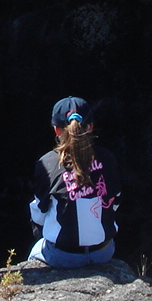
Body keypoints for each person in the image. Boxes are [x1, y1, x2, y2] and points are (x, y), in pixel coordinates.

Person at [28, 97, 122, 268]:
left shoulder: (48, 163)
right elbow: (115, 203)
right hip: (103, 252)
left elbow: (39, 214)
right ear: (91, 126)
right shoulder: (107, 158)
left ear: (56, 130)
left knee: (34, 252)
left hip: (64, 256)